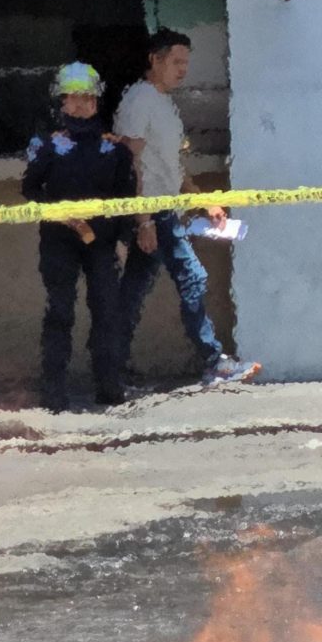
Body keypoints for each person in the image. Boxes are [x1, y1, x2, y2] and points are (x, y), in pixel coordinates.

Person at [113, 28, 260, 388]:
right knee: (192, 278)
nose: (182, 70)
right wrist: (143, 220)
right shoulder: (138, 101)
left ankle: (112, 368)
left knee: (131, 293)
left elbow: (174, 167)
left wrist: (200, 200)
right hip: (153, 212)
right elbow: (130, 163)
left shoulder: (165, 104)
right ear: (155, 59)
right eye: (176, 62)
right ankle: (213, 360)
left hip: (168, 210)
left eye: (186, 63)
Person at [23, 64, 133, 412]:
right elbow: (30, 189)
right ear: (62, 102)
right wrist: (60, 212)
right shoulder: (46, 146)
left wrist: (123, 239)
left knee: (106, 312)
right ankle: (54, 391)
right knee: (60, 312)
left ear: (97, 102)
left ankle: (109, 387)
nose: (81, 105)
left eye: (88, 98)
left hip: (101, 243)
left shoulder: (114, 149)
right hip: (58, 240)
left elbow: (124, 199)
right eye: (74, 98)